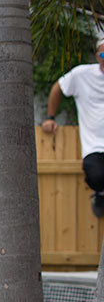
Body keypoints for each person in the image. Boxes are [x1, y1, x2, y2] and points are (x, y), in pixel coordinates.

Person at [41, 38, 104, 217]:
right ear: (97, 56)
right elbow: (57, 88)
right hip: (95, 146)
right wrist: (49, 118)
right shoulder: (81, 74)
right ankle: (100, 195)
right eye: (103, 54)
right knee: (96, 175)